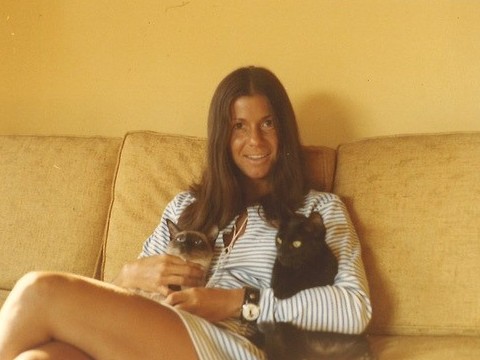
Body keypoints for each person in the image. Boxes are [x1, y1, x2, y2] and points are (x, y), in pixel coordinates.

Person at [0, 66, 372, 360]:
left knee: (39, 290)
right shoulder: (185, 208)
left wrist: (238, 301)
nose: (255, 141)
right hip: (160, 335)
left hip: (236, 346)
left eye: (267, 124)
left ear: (284, 130)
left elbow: (354, 309)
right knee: (39, 358)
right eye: (238, 126)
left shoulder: (318, 210)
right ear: (221, 137)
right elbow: (120, 303)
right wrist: (126, 275)